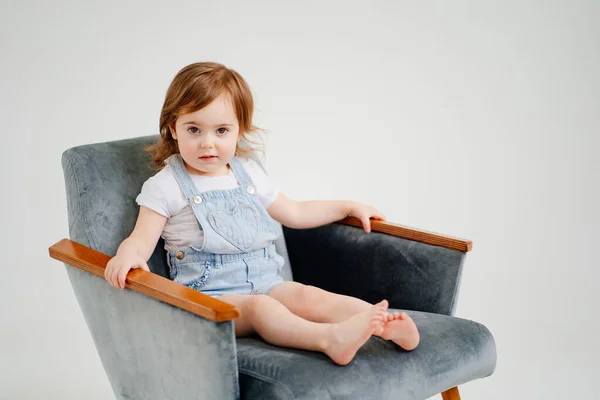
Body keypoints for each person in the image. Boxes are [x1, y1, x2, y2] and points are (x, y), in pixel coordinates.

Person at [104, 62, 419, 365]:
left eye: (221, 130)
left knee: (308, 296)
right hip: (209, 296)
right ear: (173, 128)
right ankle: (330, 339)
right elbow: (140, 239)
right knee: (263, 309)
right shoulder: (166, 185)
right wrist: (126, 255)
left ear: (239, 130)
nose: (207, 143)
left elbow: (294, 212)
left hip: (265, 279)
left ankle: (381, 323)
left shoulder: (248, 173)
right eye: (194, 129)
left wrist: (347, 206)